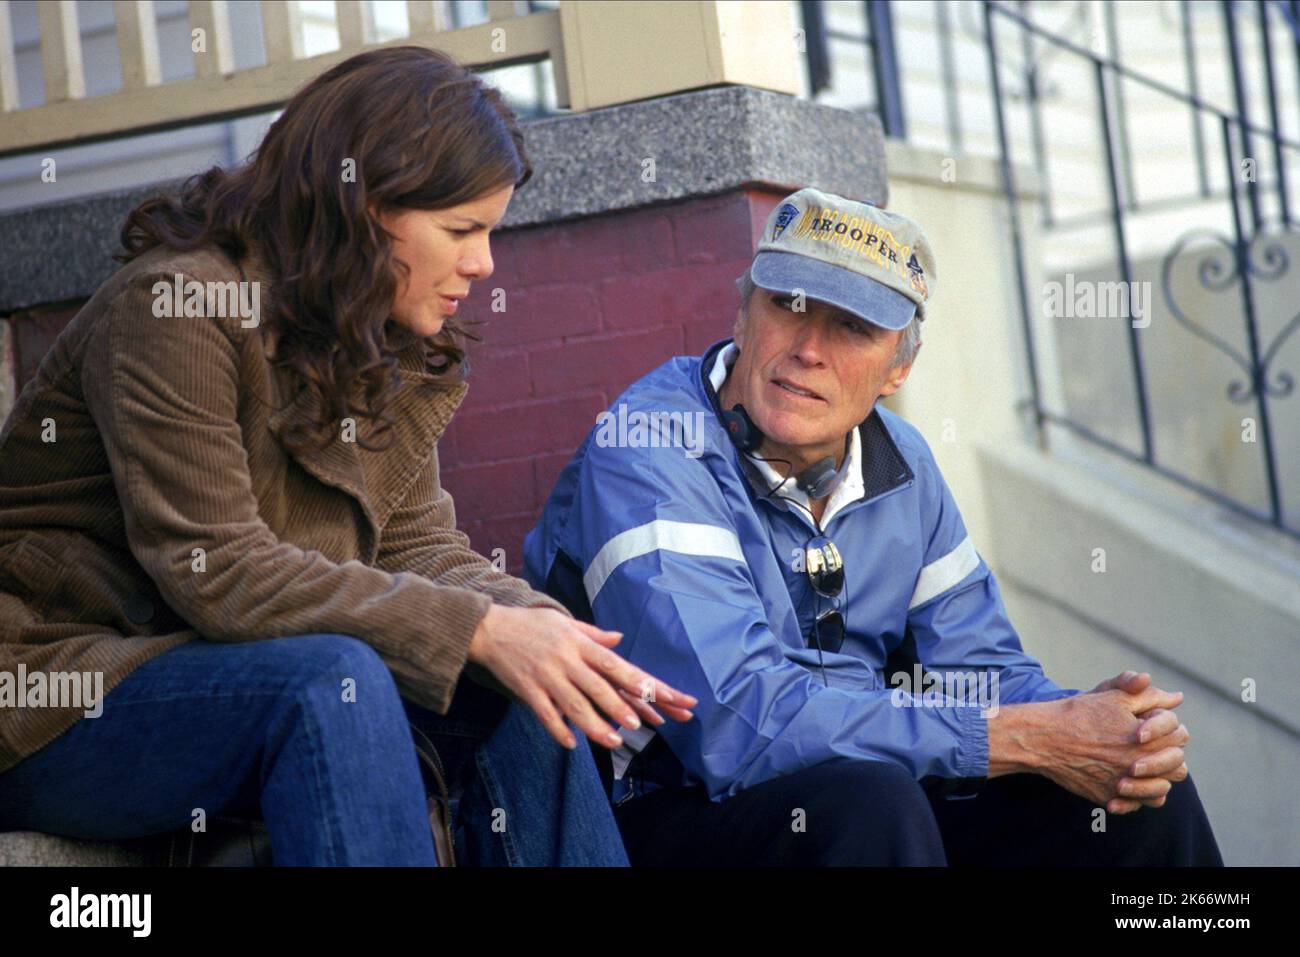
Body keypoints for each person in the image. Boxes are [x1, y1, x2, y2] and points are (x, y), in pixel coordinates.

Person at [0, 45, 695, 867]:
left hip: (233, 665)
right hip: (61, 689)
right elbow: (218, 569)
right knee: (335, 679)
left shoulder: (380, 338)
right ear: (367, 209)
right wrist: (478, 628)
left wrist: (542, 632)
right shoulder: (180, 308)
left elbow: (416, 548)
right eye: (462, 230)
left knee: (537, 690)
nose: (483, 262)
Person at [523, 187, 1223, 866]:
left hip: (864, 790)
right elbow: (739, 724)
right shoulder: (649, 442)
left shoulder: (903, 461)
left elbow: (978, 674)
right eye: (789, 307)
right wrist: (1023, 736)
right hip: (653, 812)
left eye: (852, 327)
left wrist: (1096, 724)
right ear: (742, 315)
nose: (809, 349)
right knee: (870, 801)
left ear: (899, 367)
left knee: (1143, 796)